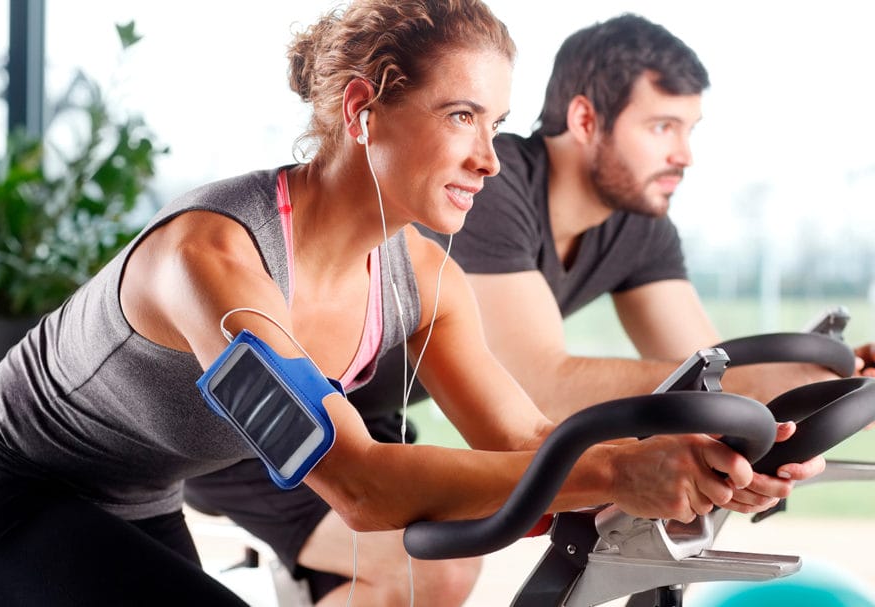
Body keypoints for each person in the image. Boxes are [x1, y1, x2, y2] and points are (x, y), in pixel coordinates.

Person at [180, 10, 824, 607]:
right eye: (462, 115)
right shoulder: (217, 251)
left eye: (494, 124)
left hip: (330, 439)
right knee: (432, 565)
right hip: (209, 459)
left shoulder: (431, 271)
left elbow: (533, 437)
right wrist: (621, 467)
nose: (487, 159)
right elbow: (368, 483)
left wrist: (706, 458)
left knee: (445, 563)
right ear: (363, 110)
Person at [434, 12, 875, 421]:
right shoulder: (488, 184)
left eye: (690, 129)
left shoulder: (640, 225)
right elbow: (538, 385)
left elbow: (707, 364)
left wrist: (833, 383)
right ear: (585, 120)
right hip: (365, 426)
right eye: (662, 127)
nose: (685, 155)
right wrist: (759, 385)